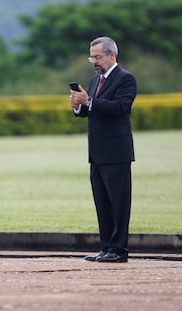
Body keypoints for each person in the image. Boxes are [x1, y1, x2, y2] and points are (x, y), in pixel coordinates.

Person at [69, 36, 137, 263]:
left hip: (117, 153)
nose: (94, 62)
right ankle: (107, 246)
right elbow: (91, 110)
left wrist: (89, 102)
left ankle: (119, 250)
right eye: (92, 58)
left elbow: (120, 107)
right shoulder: (94, 80)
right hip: (97, 153)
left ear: (111, 55)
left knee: (119, 203)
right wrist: (79, 106)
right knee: (102, 202)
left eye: (98, 57)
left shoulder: (126, 79)